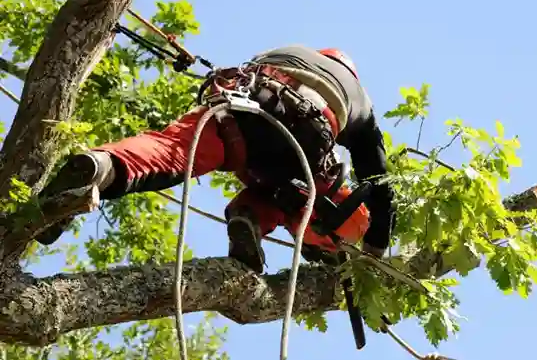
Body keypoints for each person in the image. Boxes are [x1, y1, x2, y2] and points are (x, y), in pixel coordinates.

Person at [35, 45, 396, 274]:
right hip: (304, 138)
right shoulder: (358, 99)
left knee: (170, 151)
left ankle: (100, 166)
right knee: (309, 193)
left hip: (241, 110)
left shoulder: (288, 52)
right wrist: (376, 245)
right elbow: (379, 181)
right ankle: (252, 219)